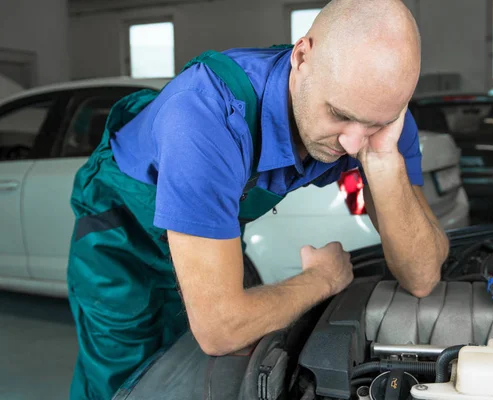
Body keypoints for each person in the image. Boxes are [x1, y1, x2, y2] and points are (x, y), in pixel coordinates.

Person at [66, 0, 449, 398]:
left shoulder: (375, 113)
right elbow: (220, 328)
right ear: (302, 57)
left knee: (209, 375)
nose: (354, 143)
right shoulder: (205, 117)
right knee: (126, 384)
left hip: (209, 229)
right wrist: (322, 279)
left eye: (376, 124)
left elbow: (421, 276)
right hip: (121, 238)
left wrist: (384, 160)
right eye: (338, 113)